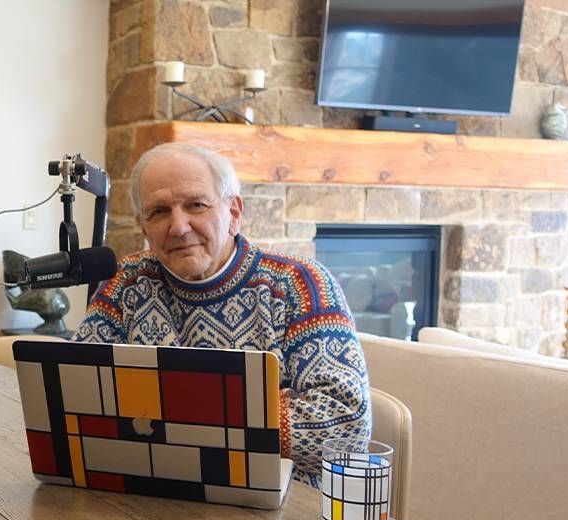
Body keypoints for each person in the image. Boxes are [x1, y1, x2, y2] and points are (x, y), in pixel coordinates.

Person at [74, 142, 370, 482]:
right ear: (143, 228)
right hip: (156, 489)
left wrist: (171, 410)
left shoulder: (300, 286)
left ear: (234, 213)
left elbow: (347, 423)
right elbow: (81, 392)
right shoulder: (123, 285)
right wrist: (254, 411)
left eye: (196, 205)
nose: (179, 226)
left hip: (279, 507)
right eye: (159, 212)